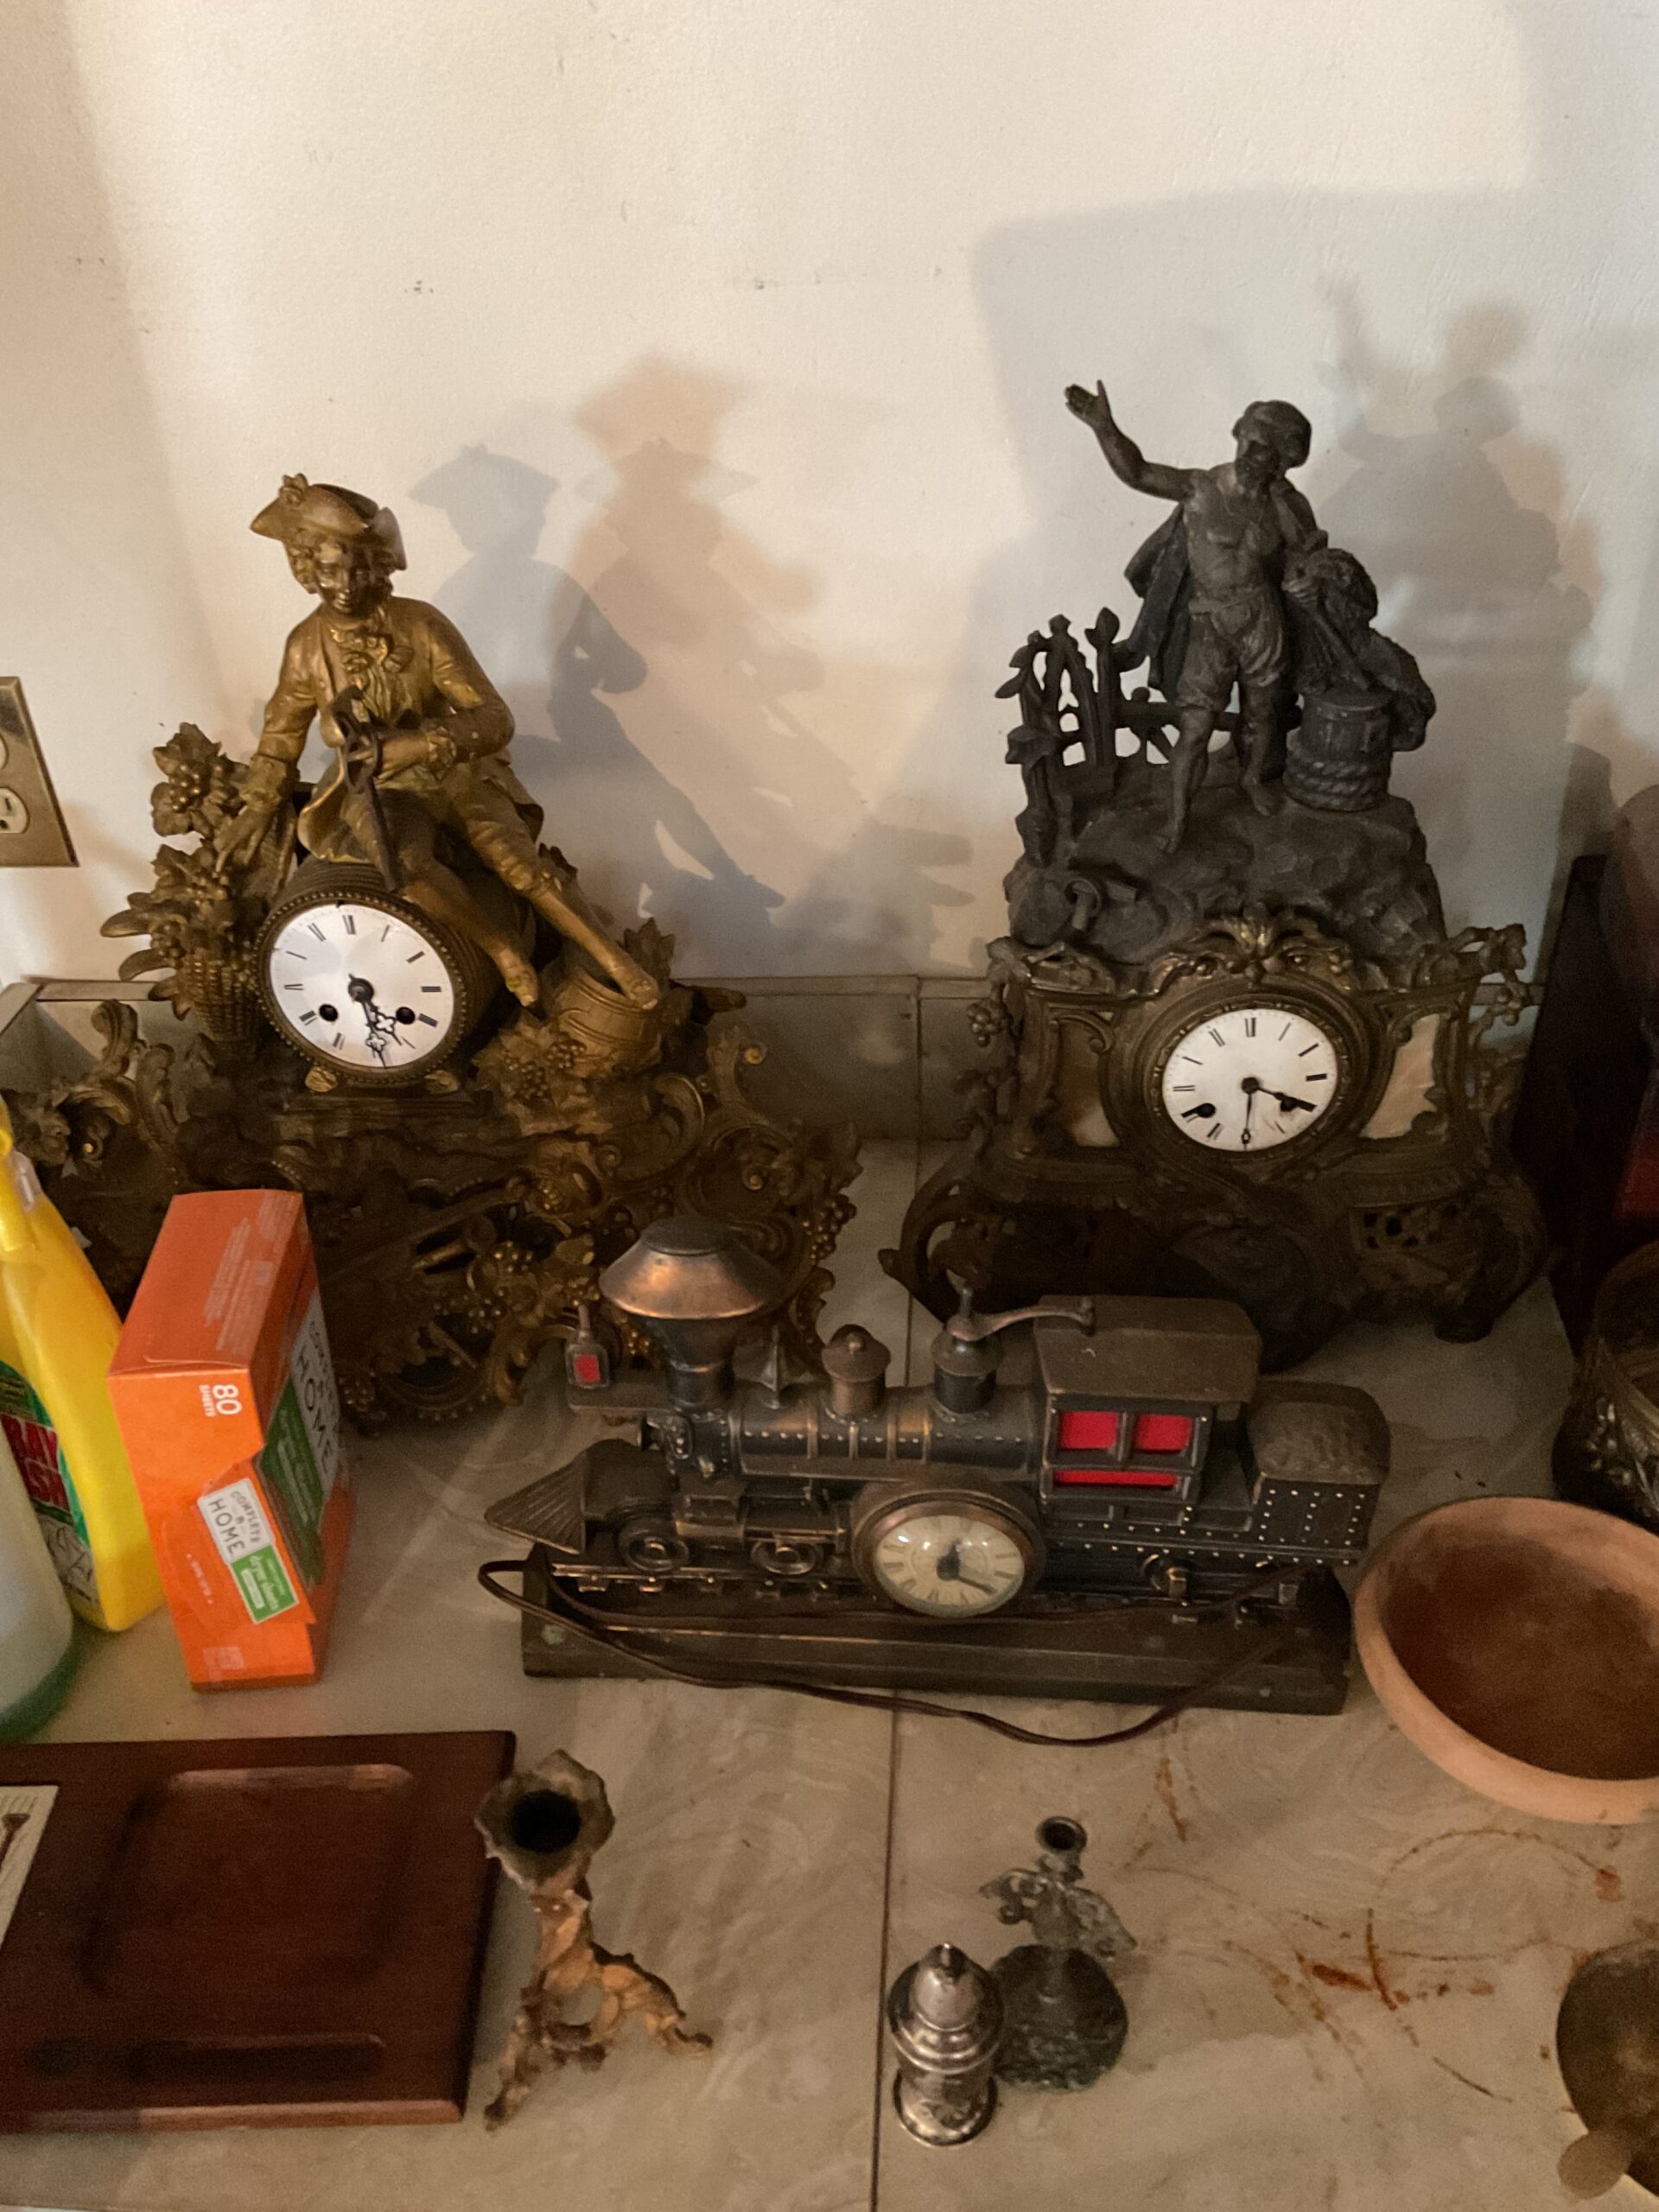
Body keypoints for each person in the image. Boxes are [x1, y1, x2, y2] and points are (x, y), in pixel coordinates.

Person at [215, 475, 657, 1009]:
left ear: (379, 566)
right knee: (403, 868)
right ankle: (500, 951)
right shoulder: (305, 649)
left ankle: (614, 960)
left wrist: (419, 745)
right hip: (377, 789)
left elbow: (494, 719)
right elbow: (281, 736)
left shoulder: (421, 624)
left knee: (520, 866)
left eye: (360, 569)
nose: (346, 585)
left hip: (454, 771)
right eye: (330, 570)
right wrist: (256, 807)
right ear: (306, 570)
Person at [1065, 383, 1325, 850]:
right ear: (1239, 437)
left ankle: (1252, 779)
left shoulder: (1285, 507)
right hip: (1209, 622)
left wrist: (1305, 578)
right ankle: (1177, 818)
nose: (1255, 456)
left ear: (1284, 460)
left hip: (1262, 620)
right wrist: (1105, 429)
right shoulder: (1201, 489)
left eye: (1268, 451)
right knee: (1195, 729)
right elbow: (1138, 473)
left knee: (1263, 714)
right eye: (1251, 442)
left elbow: (1308, 560)